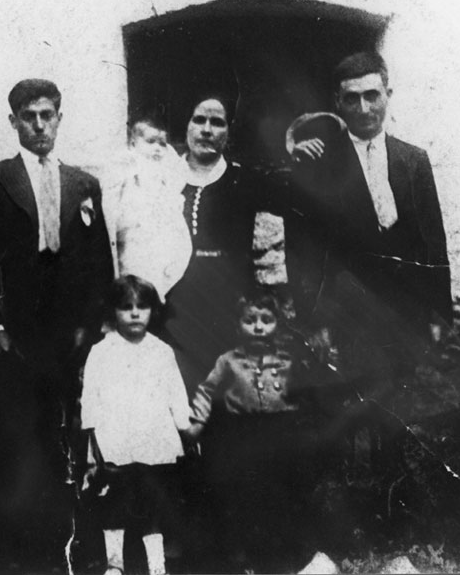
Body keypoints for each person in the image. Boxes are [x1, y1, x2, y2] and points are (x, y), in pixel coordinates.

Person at [0, 78, 113, 563]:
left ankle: (57, 542)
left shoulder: (83, 184)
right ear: (14, 122)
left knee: (61, 433)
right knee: (13, 431)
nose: (40, 125)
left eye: (48, 115)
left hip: (65, 332)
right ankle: (13, 545)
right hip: (14, 330)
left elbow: (96, 262)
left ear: (60, 119)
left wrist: (89, 326)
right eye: (30, 117)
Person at [286, 51, 452, 376]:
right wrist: (312, 323)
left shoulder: (414, 160)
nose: (363, 109)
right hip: (349, 318)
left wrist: (439, 314)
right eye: (352, 99)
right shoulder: (319, 163)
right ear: (337, 102)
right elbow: (302, 250)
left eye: (372, 96)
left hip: (409, 313)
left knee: (404, 404)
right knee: (359, 408)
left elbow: (434, 242)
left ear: (387, 95)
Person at [185, 290, 324, 573]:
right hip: (243, 436)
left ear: (277, 325)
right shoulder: (228, 360)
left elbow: (306, 391)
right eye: (250, 320)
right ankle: (246, 554)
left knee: (279, 494)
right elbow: (206, 390)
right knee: (247, 494)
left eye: (266, 320)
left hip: (278, 435)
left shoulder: (287, 361)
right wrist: (196, 422)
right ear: (238, 325)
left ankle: (283, 554)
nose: (258, 327)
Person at [79, 275, 192, 575]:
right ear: (113, 312)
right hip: (115, 439)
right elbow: (90, 396)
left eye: (141, 307)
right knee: (116, 499)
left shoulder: (161, 351)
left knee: (152, 500)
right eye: (125, 307)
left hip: (154, 439)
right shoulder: (101, 351)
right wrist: (93, 436)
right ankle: (115, 563)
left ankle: (157, 564)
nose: (134, 313)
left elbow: (175, 394)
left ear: (152, 311)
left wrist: (185, 427)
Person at [164, 95, 257, 394]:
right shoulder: (162, 178)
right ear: (187, 126)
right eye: (199, 120)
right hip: (169, 308)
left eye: (217, 123)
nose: (206, 130)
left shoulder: (242, 182)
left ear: (228, 132)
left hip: (223, 308)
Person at [103, 116, 192, 301]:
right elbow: (113, 206)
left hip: (157, 237)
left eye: (162, 143)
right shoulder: (126, 167)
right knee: (134, 280)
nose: (158, 148)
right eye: (150, 142)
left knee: (157, 277)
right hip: (133, 236)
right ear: (133, 142)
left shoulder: (165, 171)